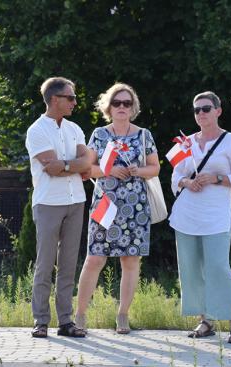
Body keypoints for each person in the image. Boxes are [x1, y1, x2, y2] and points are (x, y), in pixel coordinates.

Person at [74, 83, 161, 334]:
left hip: (135, 207)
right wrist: (108, 170)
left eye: (127, 103)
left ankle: (122, 315)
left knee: (131, 260)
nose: (122, 107)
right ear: (108, 107)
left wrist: (138, 170)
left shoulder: (143, 135)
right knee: (94, 258)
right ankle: (80, 315)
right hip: (105, 205)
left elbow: (155, 168)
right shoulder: (99, 135)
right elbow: (86, 168)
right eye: (117, 103)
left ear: (133, 107)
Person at [169, 91, 231, 344]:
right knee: (191, 270)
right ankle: (206, 321)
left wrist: (216, 178)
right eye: (197, 110)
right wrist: (187, 182)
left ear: (218, 111)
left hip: (216, 215)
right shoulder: (186, 143)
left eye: (206, 108)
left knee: (218, 267)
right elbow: (174, 176)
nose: (201, 113)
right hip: (187, 214)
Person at [25, 77, 92, 338]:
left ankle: (66, 321)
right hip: (48, 203)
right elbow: (50, 168)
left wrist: (67, 166)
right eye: (70, 98)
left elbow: (86, 160)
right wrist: (74, 166)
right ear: (55, 100)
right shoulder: (37, 130)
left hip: (76, 201)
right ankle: (40, 320)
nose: (75, 102)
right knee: (45, 263)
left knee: (68, 263)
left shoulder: (75, 128)